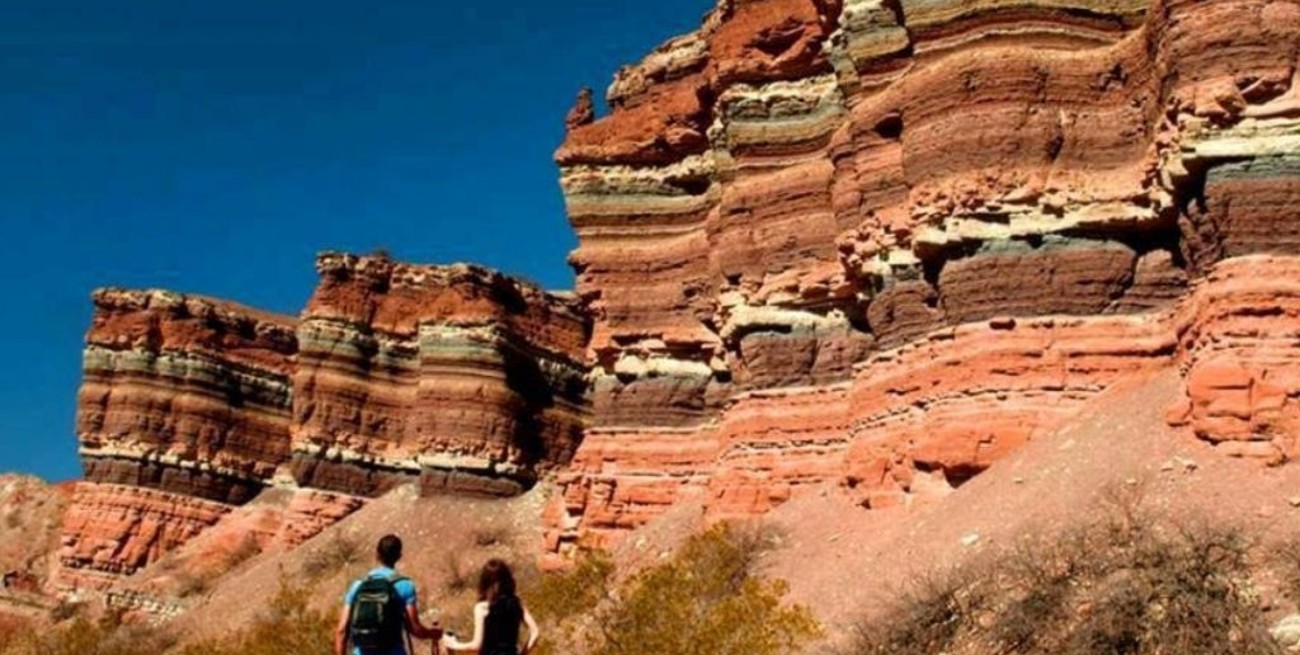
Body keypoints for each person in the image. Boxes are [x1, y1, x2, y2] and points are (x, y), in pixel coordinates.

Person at [336, 534, 442, 655]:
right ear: (398, 556)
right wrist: (433, 633)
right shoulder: (404, 585)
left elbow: (342, 630)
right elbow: (415, 629)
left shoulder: (357, 585)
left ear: (377, 555)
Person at [442, 559, 539, 655]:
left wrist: (454, 644)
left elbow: (476, 646)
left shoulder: (482, 608)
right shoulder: (516, 603)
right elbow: (535, 632)